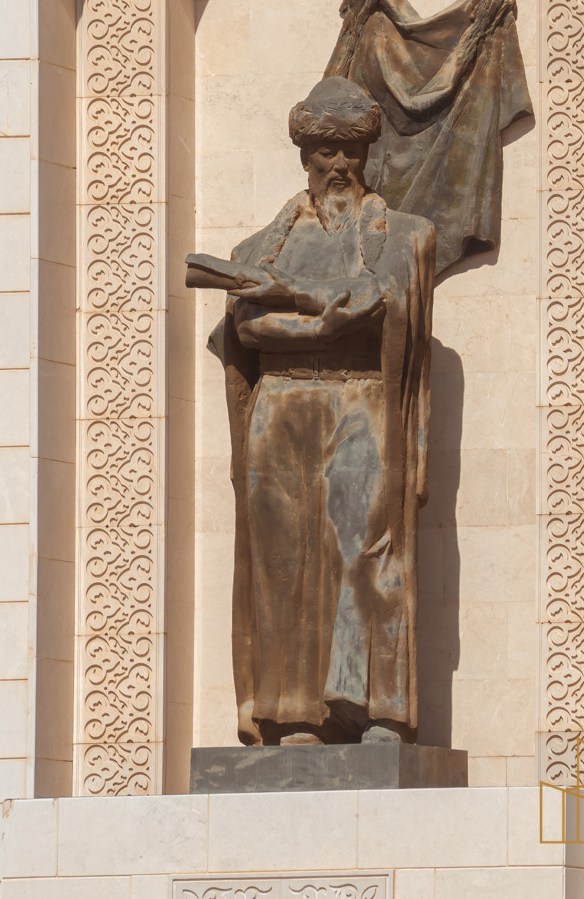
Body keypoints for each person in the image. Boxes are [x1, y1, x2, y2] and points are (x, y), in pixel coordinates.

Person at [187, 76, 436, 745]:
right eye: (323, 150)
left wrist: (300, 307)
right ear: (303, 156)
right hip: (282, 405)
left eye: (349, 148)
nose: (336, 164)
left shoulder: (406, 238)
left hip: (363, 398)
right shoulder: (254, 252)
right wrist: (329, 316)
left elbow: (387, 308)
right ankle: (296, 715)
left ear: (367, 152)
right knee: (286, 559)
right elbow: (251, 331)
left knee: (365, 546)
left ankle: (378, 707)